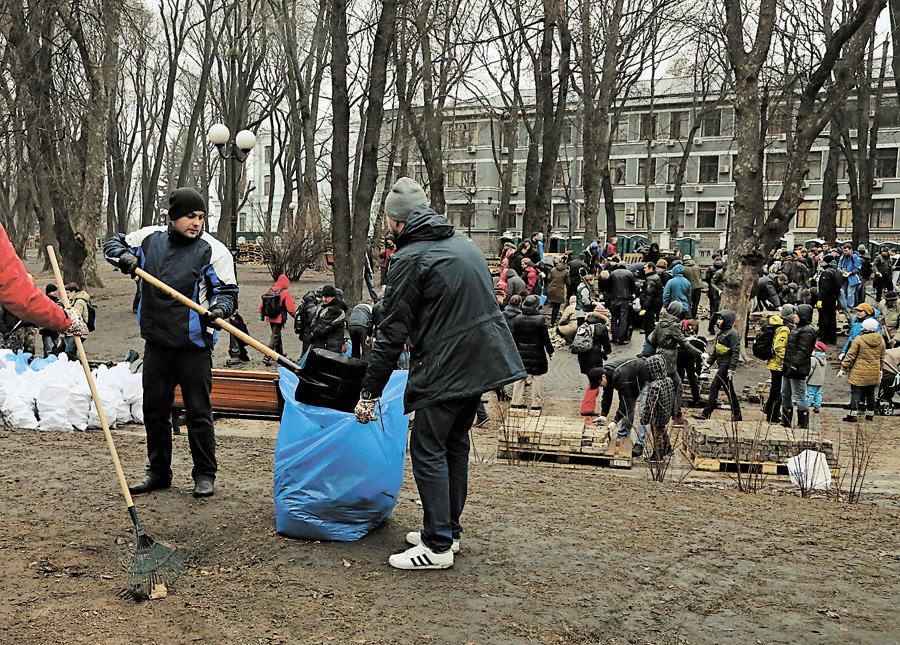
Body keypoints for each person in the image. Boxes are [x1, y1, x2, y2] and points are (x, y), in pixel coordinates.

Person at [355, 177, 525, 570]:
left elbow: (393, 333)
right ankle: (447, 529)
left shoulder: (410, 257)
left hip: (447, 365)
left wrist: (369, 392)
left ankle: (436, 546)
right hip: (482, 363)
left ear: (395, 222)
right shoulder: (463, 244)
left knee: (427, 447)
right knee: (453, 445)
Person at [103, 187, 238, 498]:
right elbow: (112, 244)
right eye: (191, 216)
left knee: (198, 413)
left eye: (201, 217)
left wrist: (219, 310)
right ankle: (158, 472)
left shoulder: (213, 251)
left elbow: (228, 293)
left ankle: (205, 474)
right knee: (154, 411)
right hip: (157, 344)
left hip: (194, 348)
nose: (197, 223)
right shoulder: (149, 239)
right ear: (174, 216)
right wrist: (123, 257)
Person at [693, 310, 741, 421]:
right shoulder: (721, 334)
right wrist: (708, 363)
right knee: (730, 391)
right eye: (718, 319)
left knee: (714, 387)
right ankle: (737, 414)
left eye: (721, 319)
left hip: (726, 366)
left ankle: (706, 413)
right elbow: (716, 351)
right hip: (721, 365)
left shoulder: (732, 334)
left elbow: (735, 352)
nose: (718, 321)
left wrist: (732, 368)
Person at [509, 295, 554, 410]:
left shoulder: (517, 318)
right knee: (536, 378)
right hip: (537, 353)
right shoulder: (540, 319)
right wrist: (550, 351)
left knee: (519, 377)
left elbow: (513, 338)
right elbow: (545, 339)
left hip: (521, 352)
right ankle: (536, 403)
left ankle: (516, 401)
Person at [592, 356, 650, 444]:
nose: (599, 386)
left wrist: (615, 421)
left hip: (646, 378)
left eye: (599, 384)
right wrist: (603, 415)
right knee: (628, 409)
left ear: (603, 377)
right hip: (632, 380)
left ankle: (640, 444)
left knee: (644, 410)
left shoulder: (620, 377)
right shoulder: (607, 373)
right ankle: (623, 436)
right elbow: (607, 395)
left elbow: (625, 402)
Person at [840, 317, 885, 422]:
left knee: (856, 392)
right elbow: (882, 356)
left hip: (859, 371)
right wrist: (880, 369)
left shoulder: (859, 339)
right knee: (870, 393)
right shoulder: (881, 340)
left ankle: (853, 414)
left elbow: (850, 355)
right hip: (874, 371)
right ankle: (870, 414)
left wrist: (843, 367)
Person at [781, 304, 817, 429]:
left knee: (799, 396)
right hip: (788, 367)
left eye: (796, 314)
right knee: (785, 393)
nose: (794, 316)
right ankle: (786, 420)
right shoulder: (796, 328)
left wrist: (795, 365)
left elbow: (803, 350)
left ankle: (802, 423)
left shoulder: (807, 331)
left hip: (797, 368)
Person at [636, 354, 676, 458]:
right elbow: (673, 397)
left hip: (657, 414)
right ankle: (668, 448)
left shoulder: (654, 385)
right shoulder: (668, 380)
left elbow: (650, 405)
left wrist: (644, 419)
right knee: (662, 429)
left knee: (657, 434)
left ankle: (658, 454)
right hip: (666, 412)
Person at [578, 309, 613, 416]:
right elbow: (607, 345)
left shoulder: (583, 325)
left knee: (592, 381)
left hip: (583, 357)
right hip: (594, 358)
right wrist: (606, 351)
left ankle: (588, 406)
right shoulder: (601, 328)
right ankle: (587, 408)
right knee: (594, 383)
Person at [763, 305, 794, 424]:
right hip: (778, 364)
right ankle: (773, 415)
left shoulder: (781, 326)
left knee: (775, 390)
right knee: (778, 391)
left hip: (776, 363)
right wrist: (788, 359)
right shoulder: (784, 329)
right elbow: (778, 347)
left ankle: (769, 410)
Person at [259, 274, 296, 361]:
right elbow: (290, 308)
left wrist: (262, 315)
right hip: (279, 318)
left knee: (276, 334)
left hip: (270, 316)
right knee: (275, 336)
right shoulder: (285, 293)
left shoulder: (269, 291)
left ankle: (279, 354)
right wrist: (296, 316)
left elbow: (262, 305)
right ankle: (267, 356)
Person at [309, 284, 346, 353]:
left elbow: (324, 327)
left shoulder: (336, 310)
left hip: (331, 346)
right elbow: (315, 318)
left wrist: (314, 331)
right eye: (323, 297)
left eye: (326, 297)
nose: (324, 299)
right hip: (325, 343)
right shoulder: (323, 306)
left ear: (333, 297)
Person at [607, 262, 636, 344]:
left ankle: (614, 337)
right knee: (623, 319)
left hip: (613, 298)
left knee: (614, 318)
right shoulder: (629, 273)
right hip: (624, 298)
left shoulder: (612, 274)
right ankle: (621, 338)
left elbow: (608, 286)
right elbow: (633, 287)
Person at [63, 283, 92, 361]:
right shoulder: (75, 300)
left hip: (78, 329)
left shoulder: (79, 302)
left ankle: (80, 364)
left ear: (73, 292)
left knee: (69, 352)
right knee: (70, 351)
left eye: (68, 293)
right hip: (76, 330)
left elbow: (75, 316)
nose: (67, 295)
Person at [817, 257, 842, 344]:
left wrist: (820, 299)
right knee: (832, 318)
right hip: (834, 298)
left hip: (826, 298)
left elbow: (824, 288)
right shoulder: (838, 271)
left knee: (824, 318)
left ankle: (824, 337)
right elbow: (839, 286)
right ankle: (832, 338)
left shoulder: (827, 272)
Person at [639, 262, 663, 336]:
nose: (644, 269)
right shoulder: (655, 278)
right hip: (655, 304)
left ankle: (649, 342)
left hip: (650, 306)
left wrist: (645, 307)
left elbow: (649, 295)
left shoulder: (651, 280)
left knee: (649, 326)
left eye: (646, 268)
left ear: (651, 268)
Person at [40, 284, 63, 357]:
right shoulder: (45, 301)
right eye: (53, 291)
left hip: (55, 329)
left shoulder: (58, 302)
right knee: (48, 348)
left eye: (56, 291)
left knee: (59, 346)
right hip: (47, 329)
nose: (55, 292)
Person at [294, 290, 320, 357]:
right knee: (307, 351)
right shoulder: (312, 308)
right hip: (308, 332)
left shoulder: (303, 306)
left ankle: (301, 363)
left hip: (304, 332)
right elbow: (311, 320)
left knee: (305, 350)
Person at [838, 243, 861, 312]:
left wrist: (850, 272)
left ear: (850, 250)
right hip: (843, 276)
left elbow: (858, 267)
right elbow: (839, 264)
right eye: (844, 251)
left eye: (846, 251)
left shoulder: (855, 257)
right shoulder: (843, 257)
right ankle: (842, 306)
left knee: (850, 293)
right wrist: (840, 270)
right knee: (842, 292)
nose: (845, 252)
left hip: (852, 277)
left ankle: (850, 306)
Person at [806, 341, 828, 414]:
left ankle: (806, 407)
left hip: (812, 380)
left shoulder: (813, 359)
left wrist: (806, 377)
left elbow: (810, 370)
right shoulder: (824, 358)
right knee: (818, 394)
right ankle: (817, 407)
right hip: (820, 381)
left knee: (810, 394)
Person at [546, 260, 569, 325]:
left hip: (552, 290)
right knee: (557, 307)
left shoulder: (553, 270)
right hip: (560, 291)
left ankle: (551, 321)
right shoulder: (566, 272)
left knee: (553, 306)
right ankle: (553, 322)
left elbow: (549, 279)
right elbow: (568, 283)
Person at [707, 259, 725, 335]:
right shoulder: (719, 273)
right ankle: (711, 327)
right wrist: (718, 290)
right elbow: (712, 282)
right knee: (716, 312)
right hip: (718, 295)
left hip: (725, 294)